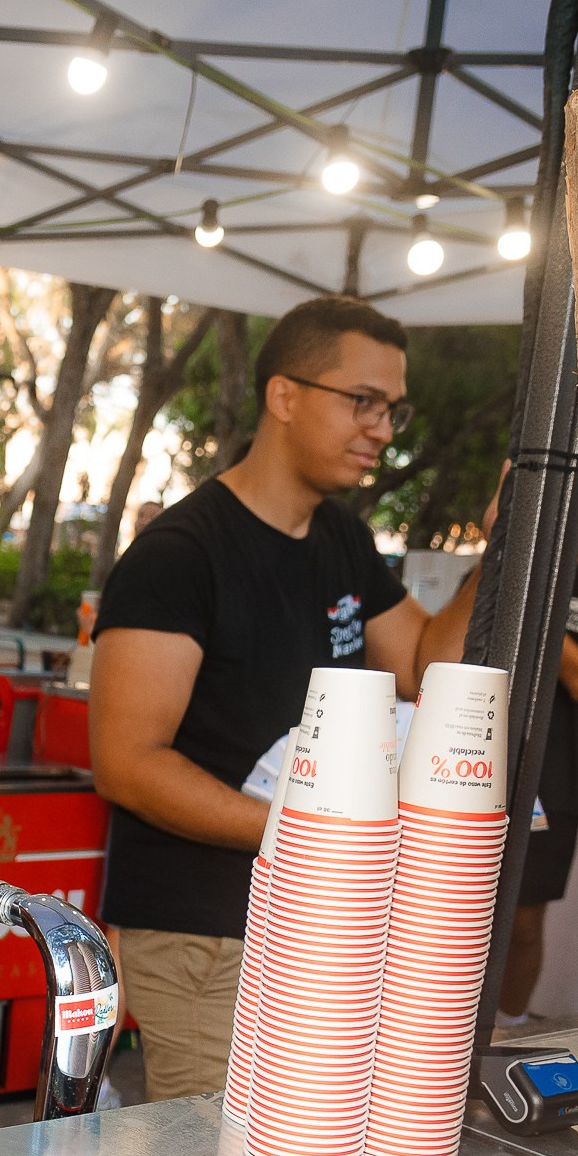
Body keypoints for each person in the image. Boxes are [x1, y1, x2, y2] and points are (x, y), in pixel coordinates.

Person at [88, 296, 443, 1101]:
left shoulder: (343, 539)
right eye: (363, 401)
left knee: (310, 1153)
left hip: (318, 919)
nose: (384, 429)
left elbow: (430, 669)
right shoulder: (179, 554)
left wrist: (504, 539)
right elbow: (126, 764)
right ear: (284, 396)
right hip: (203, 931)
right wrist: (311, 828)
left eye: (393, 407)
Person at [420, 488, 578, 1029]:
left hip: (553, 772)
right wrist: (514, 561)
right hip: (471, 766)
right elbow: (439, 657)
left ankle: (508, 1030)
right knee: (452, 911)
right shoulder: (496, 573)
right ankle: (438, 1032)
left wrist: (536, 584)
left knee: (522, 922)